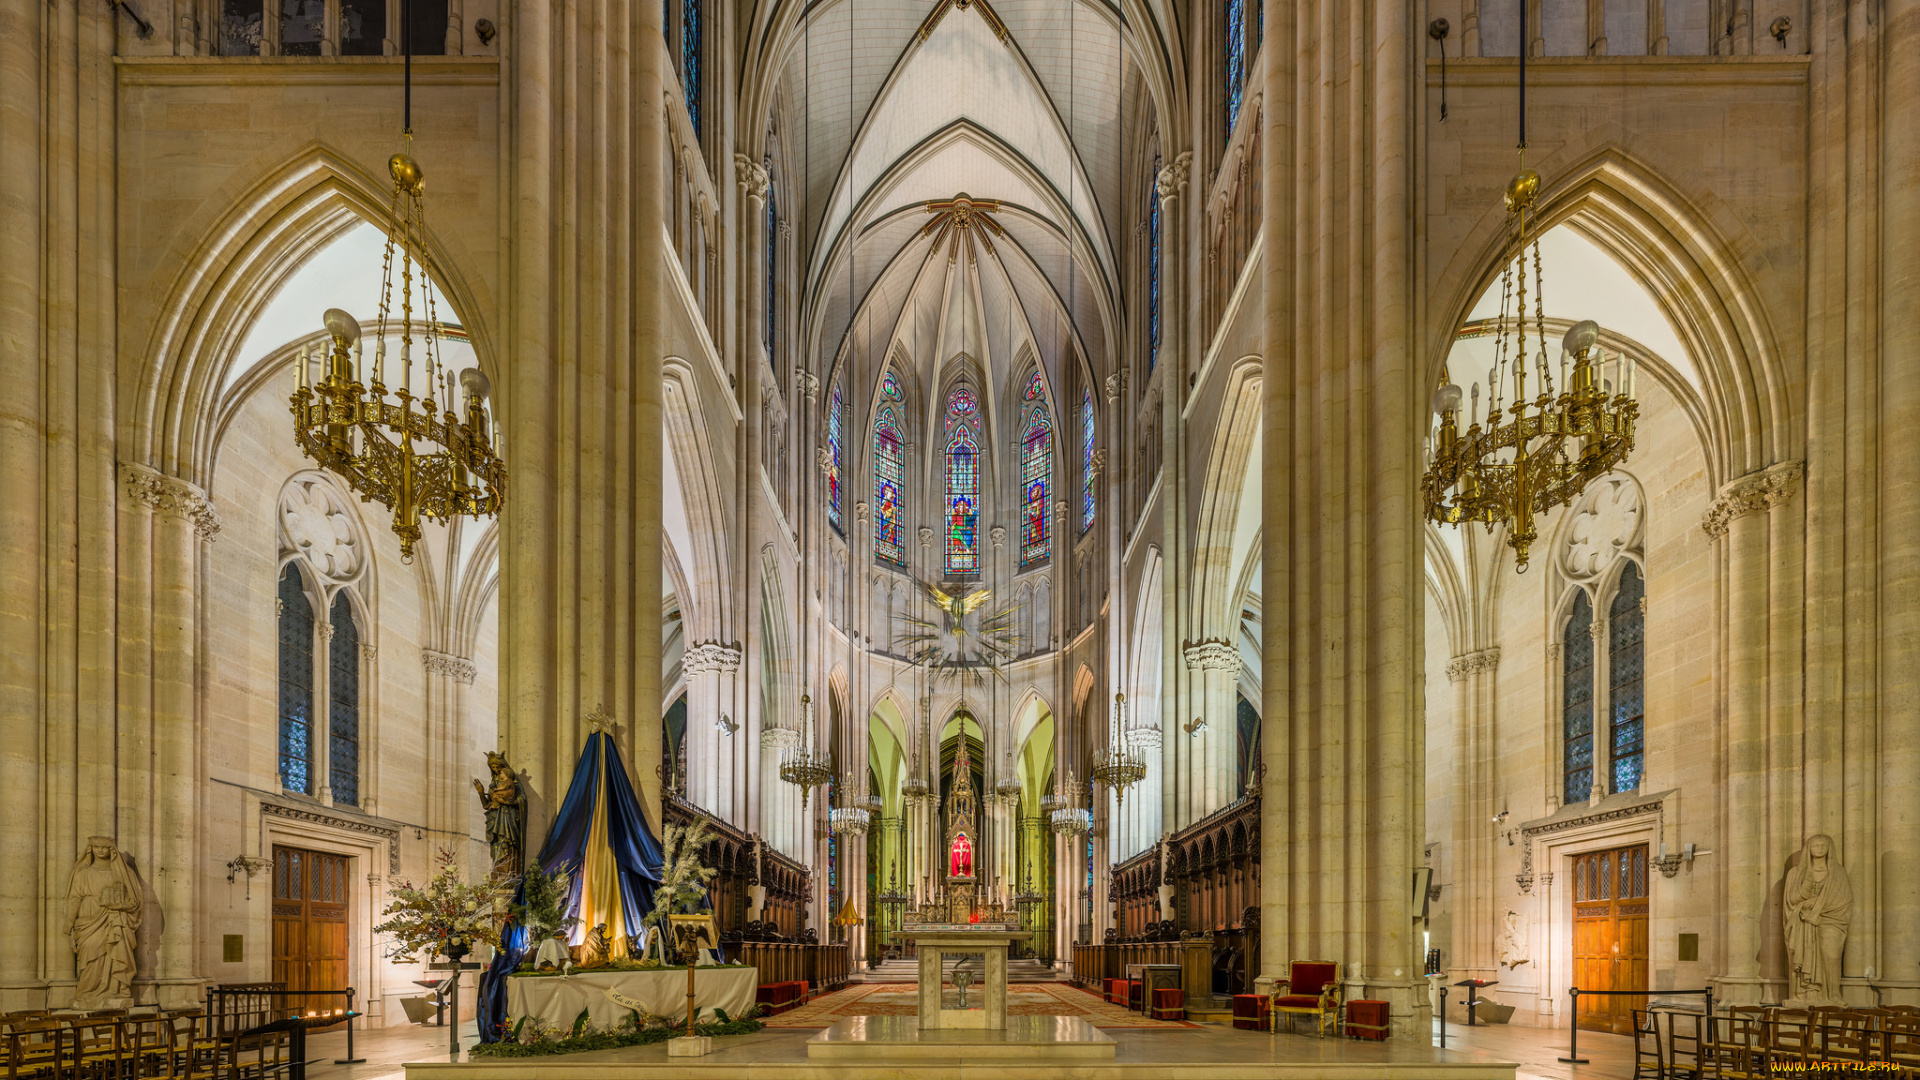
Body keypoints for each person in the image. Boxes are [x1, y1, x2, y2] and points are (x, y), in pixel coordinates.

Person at [67, 837, 143, 1008]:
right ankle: (87, 990)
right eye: (96, 847)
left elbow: (135, 900)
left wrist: (119, 904)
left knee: (114, 952)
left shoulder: (124, 873)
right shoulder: (82, 872)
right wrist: (69, 921)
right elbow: (74, 898)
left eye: (104, 847)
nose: (100, 850)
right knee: (89, 950)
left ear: (112, 850)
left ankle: (114, 989)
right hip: (88, 917)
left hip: (114, 918)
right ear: (90, 849)